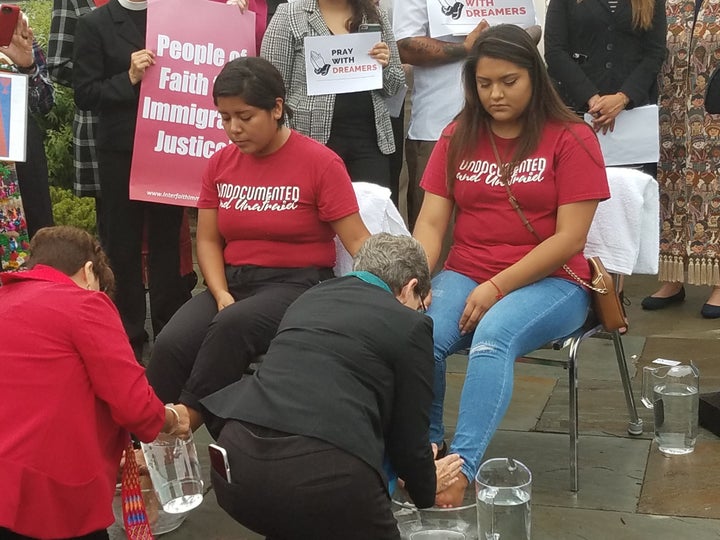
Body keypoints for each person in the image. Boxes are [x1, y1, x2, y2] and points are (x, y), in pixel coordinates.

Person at [412, 24, 610, 507]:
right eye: (484, 84)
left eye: (509, 81)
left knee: (493, 336)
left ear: (534, 77)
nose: (495, 94)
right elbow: (433, 223)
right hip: (467, 270)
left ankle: (463, 468)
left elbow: (569, 239)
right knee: (419, 333)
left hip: (554, 280)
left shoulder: (571, 137)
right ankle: (426, 452)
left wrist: (498, 286)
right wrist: (413, 279)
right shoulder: (458, 134)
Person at [146, 57, 370, 428]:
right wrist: (218, 292)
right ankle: (144, 440)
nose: (233, 128)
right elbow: (207, 240)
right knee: (171, 343)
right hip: (234, 282)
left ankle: (190, 416)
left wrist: (396, 282)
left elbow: (358, 239)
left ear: (277, 108)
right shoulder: (220, 164)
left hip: (298, 284)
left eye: (245, 117)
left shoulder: (320, 163)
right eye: (224, 117)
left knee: (232, 325)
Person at [201, 233, 462, 540]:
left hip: (237, 465)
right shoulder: (411, 325)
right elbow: (410, 438)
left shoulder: (309, 298)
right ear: (411, 288)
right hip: (329, 479)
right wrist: (425, 488)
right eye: (422, 305)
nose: (421, 313)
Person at [0, 226, 191, 540]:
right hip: (50, 499)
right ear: (89, 272)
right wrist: (173, 418)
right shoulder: (84, 304)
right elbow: (135, 407)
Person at [73, 0, 191, 361]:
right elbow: (85, 94)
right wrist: (128, 78)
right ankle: (128, 336)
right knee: (121, 246)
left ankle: (171, 331)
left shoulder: (179, 18)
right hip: (120, 152)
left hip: (169, 145)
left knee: (167, 243)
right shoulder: (95, 24)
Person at [261, 0, 405, 188]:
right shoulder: (289, 14)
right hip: (310, 140)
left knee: (370, 212)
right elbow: (271, 88)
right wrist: (286, 144)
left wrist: (384, 66)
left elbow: (394, 87)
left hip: (371, 142)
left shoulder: (376, 16)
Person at [640, 0, 720, 318]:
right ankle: (672, 278)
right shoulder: (667, 3)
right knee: (669, 195)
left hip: (713, 114)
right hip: (668, 117)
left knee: (715, 198)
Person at [544, 0, 666, 136]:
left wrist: (623, 98)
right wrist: (590, 97)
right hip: (575, 105)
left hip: (632, 112)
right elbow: (554, 51)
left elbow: (655, 53)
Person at [0, 13, 54, 238]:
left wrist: (28, 67)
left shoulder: (13, 33)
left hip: (18, 166)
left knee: (32, 244)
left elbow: (44, 102)